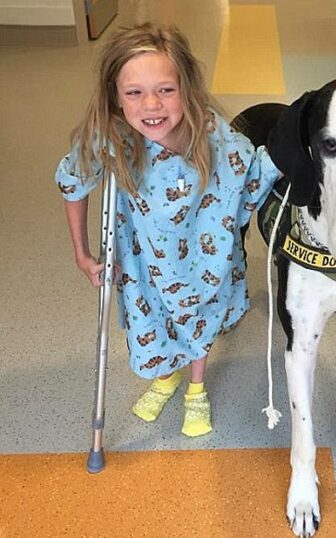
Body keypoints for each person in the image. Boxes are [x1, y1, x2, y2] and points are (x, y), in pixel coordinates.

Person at [55, 23, 279, 437]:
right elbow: (74, 181)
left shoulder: (210, 133)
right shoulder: (112, 138)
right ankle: (166, 375)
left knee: (201, 317)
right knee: (155, 319)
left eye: (165, 90)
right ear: (115, 97)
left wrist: (289, 152)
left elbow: (248, 177)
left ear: (186, 89)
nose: (151, 105)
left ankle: (196, 386)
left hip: (203, 258)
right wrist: (82, 253)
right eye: (134, 92)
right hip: (144, 261)